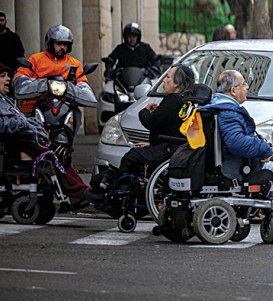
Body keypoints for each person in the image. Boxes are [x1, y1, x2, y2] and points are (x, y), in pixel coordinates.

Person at [205, 69, 273, 231]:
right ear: (233, 90)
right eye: (243, 84)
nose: (247, 87)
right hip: (234, 167)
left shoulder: (219, 107)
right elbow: (236, 142)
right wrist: (264, 149)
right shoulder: (228, 112)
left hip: (230, 161)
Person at [87, 64, 210, 201]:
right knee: (138, 151)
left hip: (167, 148)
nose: (163, 80)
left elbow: (150, 122)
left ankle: (109, 190)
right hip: (172, 146)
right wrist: (151, 144)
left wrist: (145, 110)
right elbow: (172, 130)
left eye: (167, 77)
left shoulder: (172, 100)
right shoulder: (185, 101)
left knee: (131, 156)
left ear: (176, 83)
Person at [0, 62, 89, 207]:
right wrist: (25, 124)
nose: (8, 79)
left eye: (8, 76)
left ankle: (79, 192)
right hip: (16, 144)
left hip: (28, 140)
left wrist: (31, 122)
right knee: (54, 155)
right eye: (3, 76)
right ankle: (77, 192)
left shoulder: (6, 100)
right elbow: (4, 125)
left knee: (60, 153)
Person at [15, 26, 88, 113]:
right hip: (35, 106)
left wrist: (83, 88)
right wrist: (23, 81)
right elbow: (22, 74)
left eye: (65, 44)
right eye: (59, 44)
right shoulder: (36, 59)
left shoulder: (74, 63)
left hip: (65, 107)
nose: (62, 47)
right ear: (50, 43)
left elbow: (82, 81)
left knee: (75, 117)